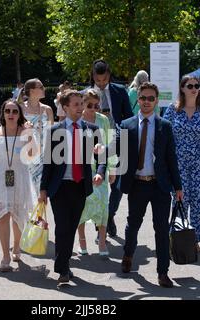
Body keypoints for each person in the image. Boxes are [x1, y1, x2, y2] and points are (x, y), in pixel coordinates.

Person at [114, 82, 183, 288]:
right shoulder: (127, 125)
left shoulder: (165, 126)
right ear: (138, 100)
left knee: (161, 230)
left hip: (160, 185)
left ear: (156, 100)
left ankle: (163, 272)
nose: (146, 102)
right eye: (143, 98)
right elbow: (118, 152)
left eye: (150, 98)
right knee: (133, 224)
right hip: (137, 184)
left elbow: (171, 158)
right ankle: (128, 255)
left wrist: (178, 187)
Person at [39, 89, 105, 284]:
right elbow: (48, 162)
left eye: (81, 104)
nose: (80, 107)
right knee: (62, 228)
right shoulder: (54, 131)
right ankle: (63, 270)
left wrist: (100, 171)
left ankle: (64, 264)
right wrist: (43, 189)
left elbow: (100, 156)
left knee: (71, 226)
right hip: (59, 187)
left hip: (80, 186)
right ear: (65, 107)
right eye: (75, 104)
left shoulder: (91, 129)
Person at [163, 76, 200, 251]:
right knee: (180, 199)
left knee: (199, 200)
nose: (194, 88)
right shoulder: (173, 110)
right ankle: (177, 237)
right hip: (178, 162)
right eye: (190, 86)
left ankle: (194, 239)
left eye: (196, 86)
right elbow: (163, 133)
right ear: (182, 88)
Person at [0, 99, 36, 271]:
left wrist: (30, 134)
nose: (11, 114)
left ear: (19, 114)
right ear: (3, 113)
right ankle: (5, 255)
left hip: (20, 177)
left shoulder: (24, 131)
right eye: (8, 111)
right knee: (3, 215)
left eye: (15, 111)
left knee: (17, 214)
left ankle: (17, 246)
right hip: (0, 178)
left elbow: (32, 154)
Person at [89, 59, 133, 237]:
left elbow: (129, 116)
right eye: (98, 80)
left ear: (109, 76)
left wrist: (119, 127)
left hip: (117, 139)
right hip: (94, 143)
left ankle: (109, 216)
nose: (101, 84)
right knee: (97, 185)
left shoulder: (120, 91)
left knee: (118, 184)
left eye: (104, 80)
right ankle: (101, 221)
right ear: (93, 77)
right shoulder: (86, 94)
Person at [77, 89, 117, 257]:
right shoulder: (77, 120)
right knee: (81, 206)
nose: (94, 108)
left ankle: (101, 241)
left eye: (96, 105)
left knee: (103, 206)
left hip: (101, 168)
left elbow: (111, 144)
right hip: (81, 169)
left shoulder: (103, 120)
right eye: (90, 105)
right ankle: (82, 242)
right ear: (83, 104)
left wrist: (113, 168)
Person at [23, 78, 54, 193]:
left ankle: (40, 212)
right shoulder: (20, 108)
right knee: (27, 192)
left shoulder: (48, 109)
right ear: (31, 90)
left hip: (43, 155)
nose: (44, 89)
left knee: (41, 192)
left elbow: (52, 135)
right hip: (25, 154)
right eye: (40, 87)